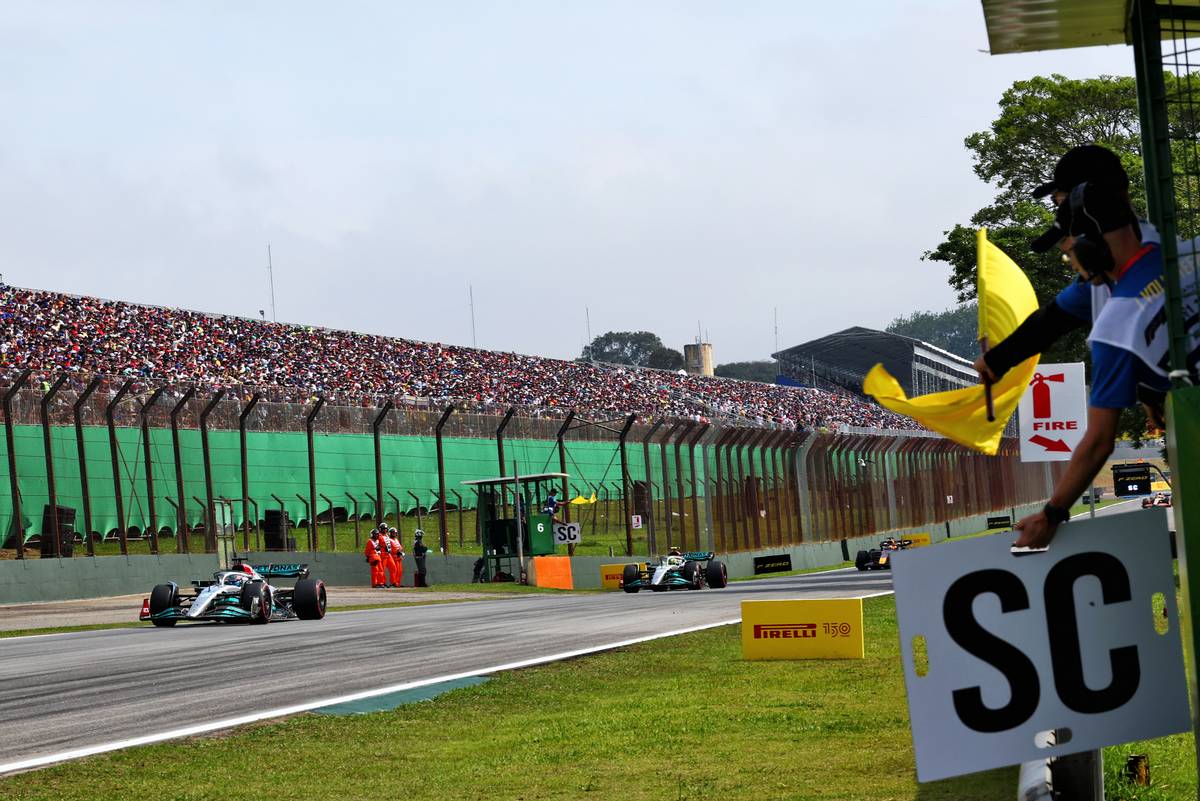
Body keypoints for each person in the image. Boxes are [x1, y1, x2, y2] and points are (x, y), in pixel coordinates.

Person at [975, 146, 1175, 549]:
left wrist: (1052, 514)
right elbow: (1052, 318)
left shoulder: (1116, 325)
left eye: (1068, 241)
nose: (1067, 255)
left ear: (1088, 241)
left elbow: (1101, 439)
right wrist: (998, 359)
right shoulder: (1175, 248)